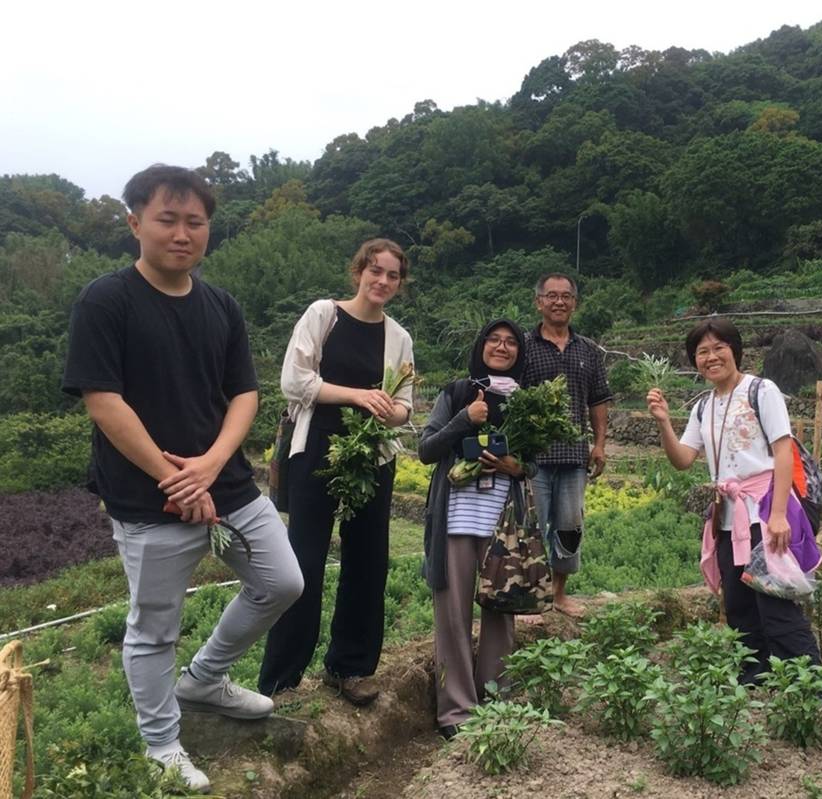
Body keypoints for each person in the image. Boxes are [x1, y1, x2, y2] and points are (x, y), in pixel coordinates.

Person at [62, 164, 304, 793]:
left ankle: (204, 679)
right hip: (147, 496)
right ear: (135, 221)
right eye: (167, 219)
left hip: (225, 483)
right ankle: (161, 742)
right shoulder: (105, 300)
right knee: (154, 625)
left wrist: (211, 466)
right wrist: (176, 480)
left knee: (282, 581)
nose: (182, 233)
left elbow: (245, 394)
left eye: (195, 222)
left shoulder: (220, 304)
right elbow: (103, 400)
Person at [257, 239, 415, 706]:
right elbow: (294, 379)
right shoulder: (323, 314)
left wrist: (393, 413)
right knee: (303, 562)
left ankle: (349, 667)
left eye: (393, 276)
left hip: (373, 456)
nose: (383, 281)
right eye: (376, 271)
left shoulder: (399, 337)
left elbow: (406, 404)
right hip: (317, 450)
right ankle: (281, 681)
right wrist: (358, 396)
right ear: (358, 271)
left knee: (368, 562)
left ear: (400, 284)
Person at [646, 318, 822, 683]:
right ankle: (755, 679)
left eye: (718, 348)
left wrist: (777, 517)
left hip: (765, 511)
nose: (711, 357)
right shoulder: (702, 407)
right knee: (739, 606)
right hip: (727, 518)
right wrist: (664, 422)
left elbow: (783, 450)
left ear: (734, 351)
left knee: (774, 602)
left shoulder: (761, 390)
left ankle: (808, 687)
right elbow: (682, 460)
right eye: (702, 352)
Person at [418, 320, 531, 739]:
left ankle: (497, 702)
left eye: (511, 342)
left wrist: (514, 466)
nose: (502, 347)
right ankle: (456, 714)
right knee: (453, 618)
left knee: (501, 615)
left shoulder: (527, 400)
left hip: (502, 528)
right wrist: (467, 418)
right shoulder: (457, 392)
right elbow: (427, 449)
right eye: (494, 340)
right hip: (455, 523)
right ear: (481, 346)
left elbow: (533, 462)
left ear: (520, 352)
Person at [522, 274, 612, 616]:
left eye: (566, 296)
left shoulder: (587, 349)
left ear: (574, 302)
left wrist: (600, 444)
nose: (559, 302)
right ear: (539, 302)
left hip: (575, 455)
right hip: (534, 457)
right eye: (551, 296)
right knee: (532, 527)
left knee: (570, 526)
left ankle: (558, 594)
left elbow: (599, 399)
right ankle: (531, 595)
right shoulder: (525, 345)